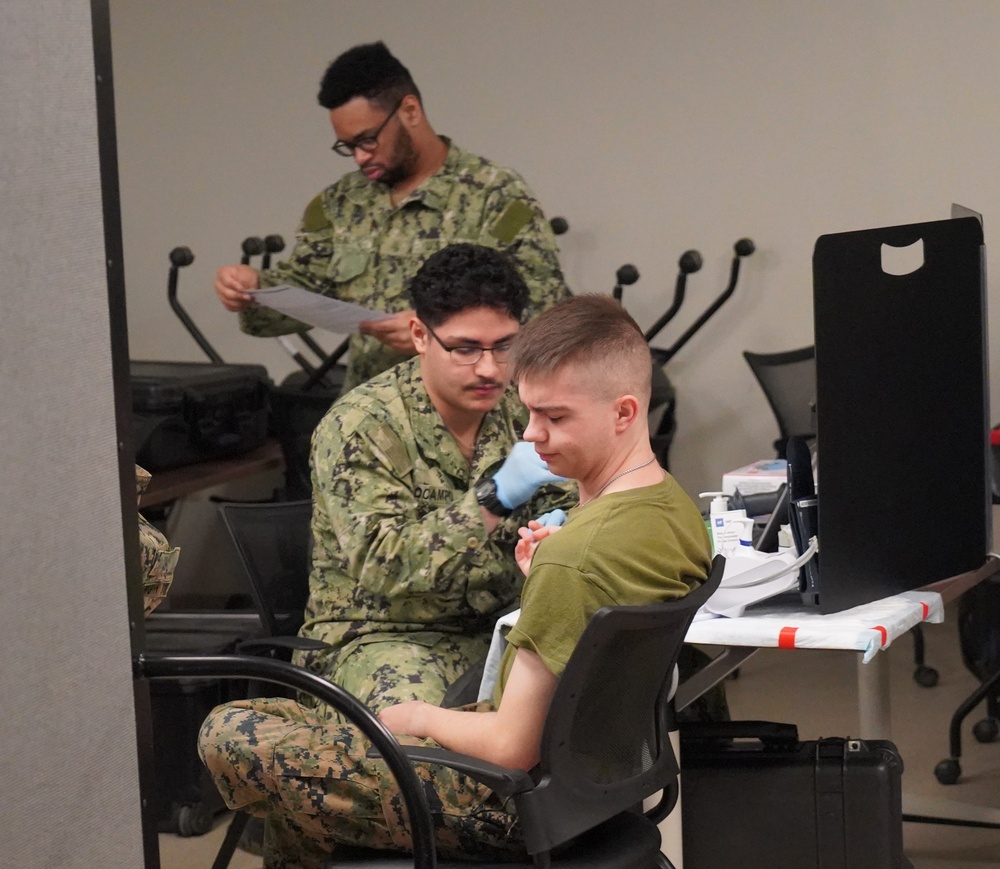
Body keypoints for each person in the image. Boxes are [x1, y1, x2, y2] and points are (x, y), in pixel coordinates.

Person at [198, 294, 712, 868]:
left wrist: (420, 718)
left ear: (623, 413)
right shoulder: (677, 513)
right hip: (590, 789)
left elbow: (510, 747)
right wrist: (547, 568)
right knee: (307, 736)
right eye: (531, 413)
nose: (533, 436)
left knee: (230, 730)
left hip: (507, 802)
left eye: (555, 417)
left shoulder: (573, 557)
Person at [295, 243, 574, 714]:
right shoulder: (363, 426)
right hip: (382, 636)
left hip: (504, 622)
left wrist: (569, 523)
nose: (488, 368)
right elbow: (387, 567)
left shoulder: (519, 404)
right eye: (465, 348)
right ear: (420, 335)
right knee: (424, 733)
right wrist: (493, 498)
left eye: (505, 346)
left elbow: (585, 490)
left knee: (643, 670)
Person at [214, 41, 570, 393]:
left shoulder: (494, 194)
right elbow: (299, 299)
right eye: (348, 147)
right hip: (372, 423)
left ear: (410, 111)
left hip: (475, 424)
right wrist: (252, 290)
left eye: (367, 140)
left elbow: (549, 320)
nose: (359, 157)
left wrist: (436, 332)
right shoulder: (340, 204)